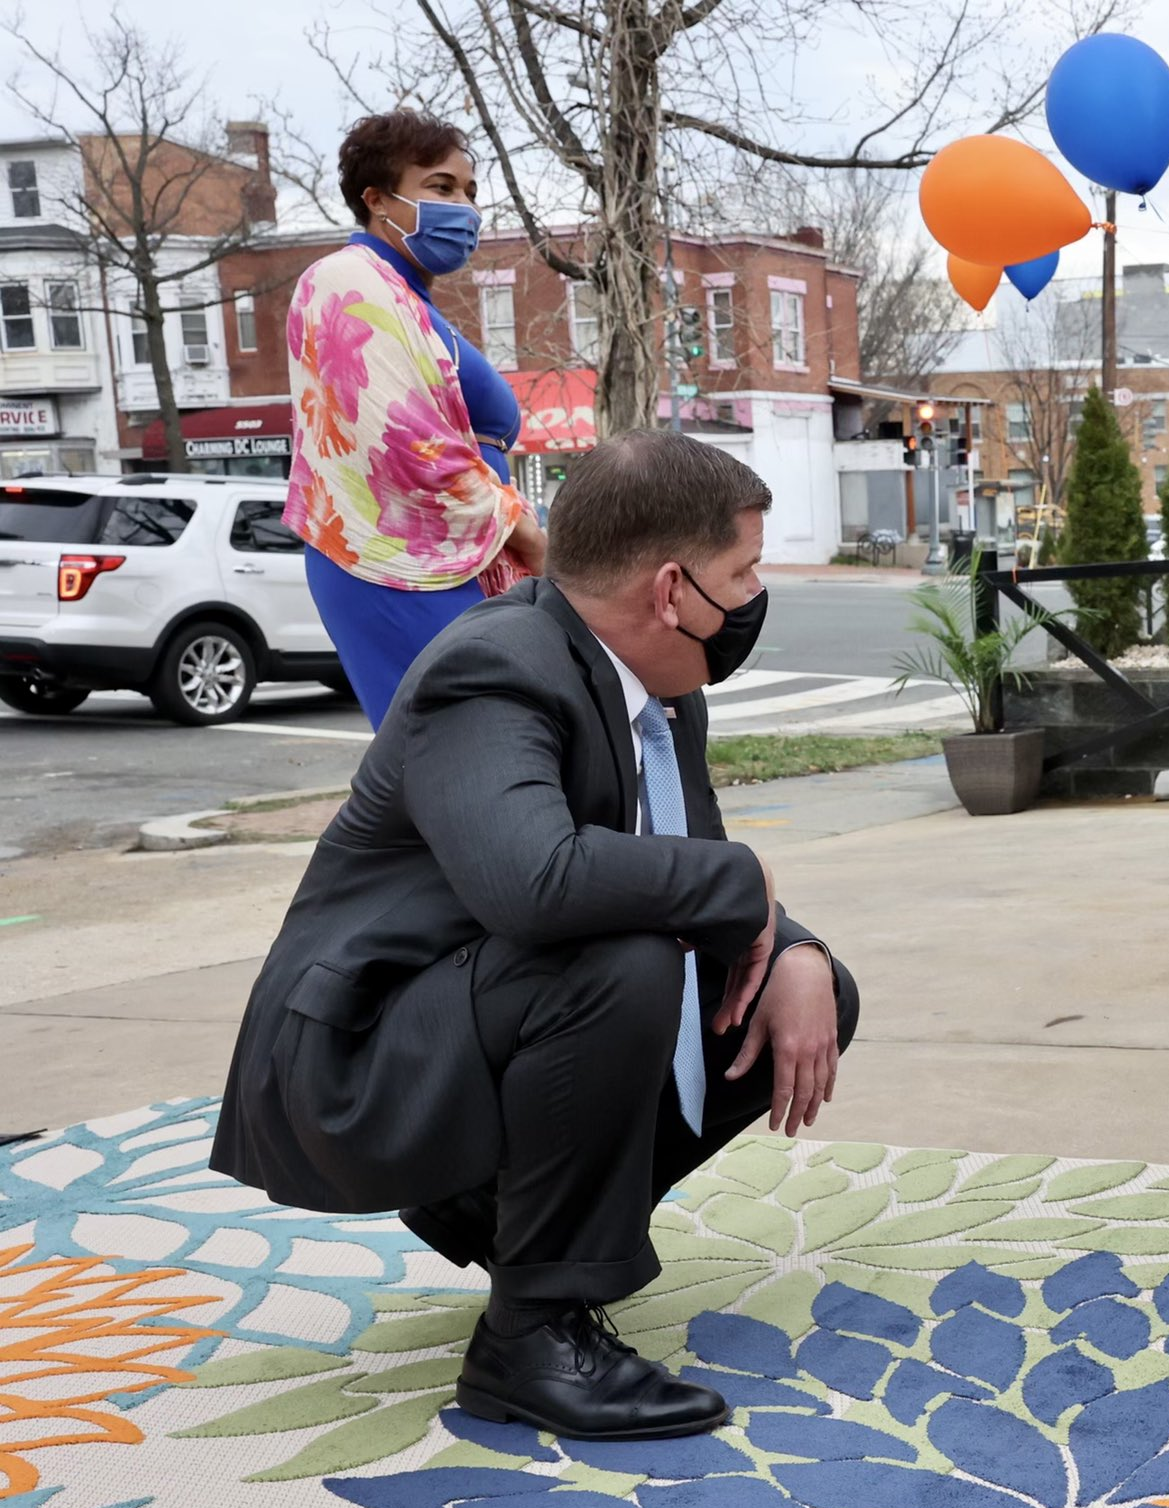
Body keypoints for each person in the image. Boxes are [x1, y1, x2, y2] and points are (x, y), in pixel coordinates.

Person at [211, 430, 857, 1442]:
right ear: (671, 587)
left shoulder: (657, 681)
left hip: (470, 1013)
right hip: (353, 1061)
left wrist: (798, 951)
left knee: (799, 990)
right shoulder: (492, 668)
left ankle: (518, 1225)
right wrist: (740, 884)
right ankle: (532, 1337)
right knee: (620, 961)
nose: (756, 592)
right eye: (745, 571)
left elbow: (679, 865)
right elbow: (539, 883)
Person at [286, 108, 548, 729]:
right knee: (464, 749)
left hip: (455, 555)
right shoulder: (346, 280)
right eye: (441, 187)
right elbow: (405, 442)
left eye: (470, 192)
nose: (466, 209)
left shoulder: (407, 298)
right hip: (400, 558)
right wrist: (531, 536)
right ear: (377, 199)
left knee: (492, 754)